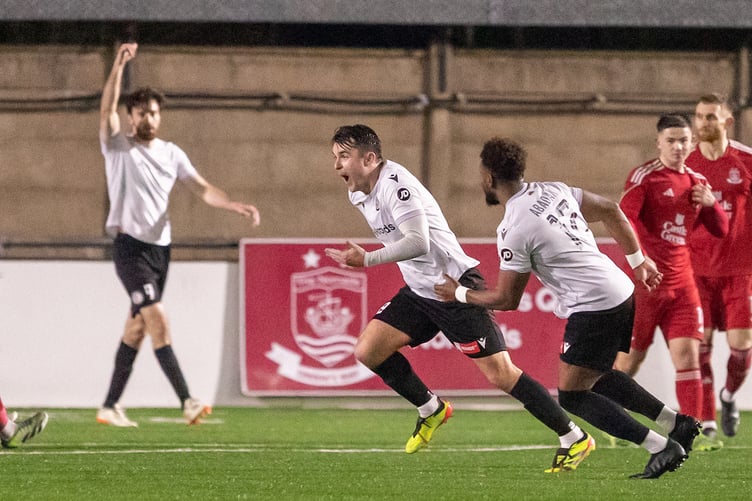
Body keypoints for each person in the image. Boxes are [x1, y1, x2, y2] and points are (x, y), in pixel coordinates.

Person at [325, 124, 595, 473]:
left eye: (344, 157)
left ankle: (573, 437)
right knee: (368, 350)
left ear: (370, 158)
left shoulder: (397, 187)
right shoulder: (359, 192)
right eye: (334, 157)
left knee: (501, 374)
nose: (336, 166)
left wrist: (368, 259)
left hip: (453, 287)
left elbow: (418, 242)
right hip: (421, 290)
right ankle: (431, 409)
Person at [434, 137, 700, 479]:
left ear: (488, 178)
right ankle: (678, 424)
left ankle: (661, 447)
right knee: (598, 376)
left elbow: (506, 299)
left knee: (573, 396)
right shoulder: (553, 190)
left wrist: (458, 295)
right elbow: (611, 210)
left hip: (595, 304)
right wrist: (639, 262)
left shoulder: (514, 228)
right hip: (618, 288)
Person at [97, 43, 260, 427]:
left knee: (137, 328)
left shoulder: (171, 153)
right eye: (140, 113)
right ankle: (186, 399)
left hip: (161, 251)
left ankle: (109, 405)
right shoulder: (118, 148)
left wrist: (231, 203)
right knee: (158, 321)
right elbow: (105, 111)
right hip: (130, 249)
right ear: (130, 117)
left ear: (159, 116)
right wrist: (118, 66)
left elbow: (202, 188)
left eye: (153, 112)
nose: (147, 118)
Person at [614, 114, 728, 451]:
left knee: (688, 358)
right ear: (659, 143)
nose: (679, 147)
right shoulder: (644, 178)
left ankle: (689, 431)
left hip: (682, 285)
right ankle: (613, 417)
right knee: (631, 360)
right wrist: (639, 261)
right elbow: (623, 220)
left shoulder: (697, 182)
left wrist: (712, 205)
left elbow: (720, 229)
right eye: (672, 140)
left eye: (684, 140)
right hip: (645, 287)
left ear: (692, 143)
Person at [686, 93, 752, 440]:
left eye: (711, 117)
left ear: (726, 121)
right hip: (697, 271)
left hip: (739, 270)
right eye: (699, 116)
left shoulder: (745, 161)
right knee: (701, 347)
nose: (704, 123)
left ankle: (728, 397)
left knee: (742, 349)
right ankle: (708, 420)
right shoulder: (686, 165)